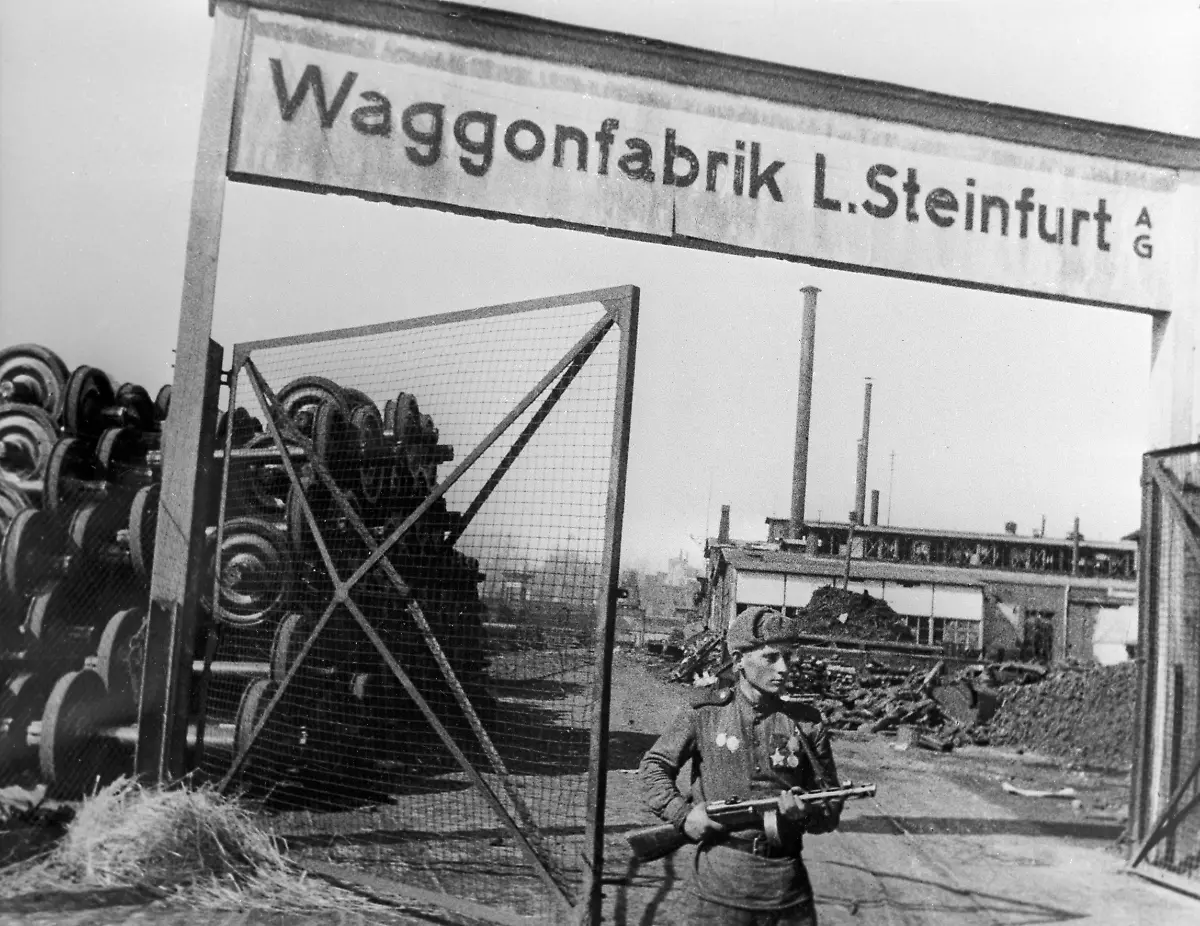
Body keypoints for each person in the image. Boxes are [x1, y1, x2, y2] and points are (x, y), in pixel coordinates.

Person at [638, 605, 842, 925]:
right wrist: (681, 814)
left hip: (786, 894)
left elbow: (829, 806)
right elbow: (654, 765)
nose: (784, 668)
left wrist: (807, 814)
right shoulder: (705, 714)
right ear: (738, 661)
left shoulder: (807, 724)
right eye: (771, 657)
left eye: (789, 656)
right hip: (717, 890)